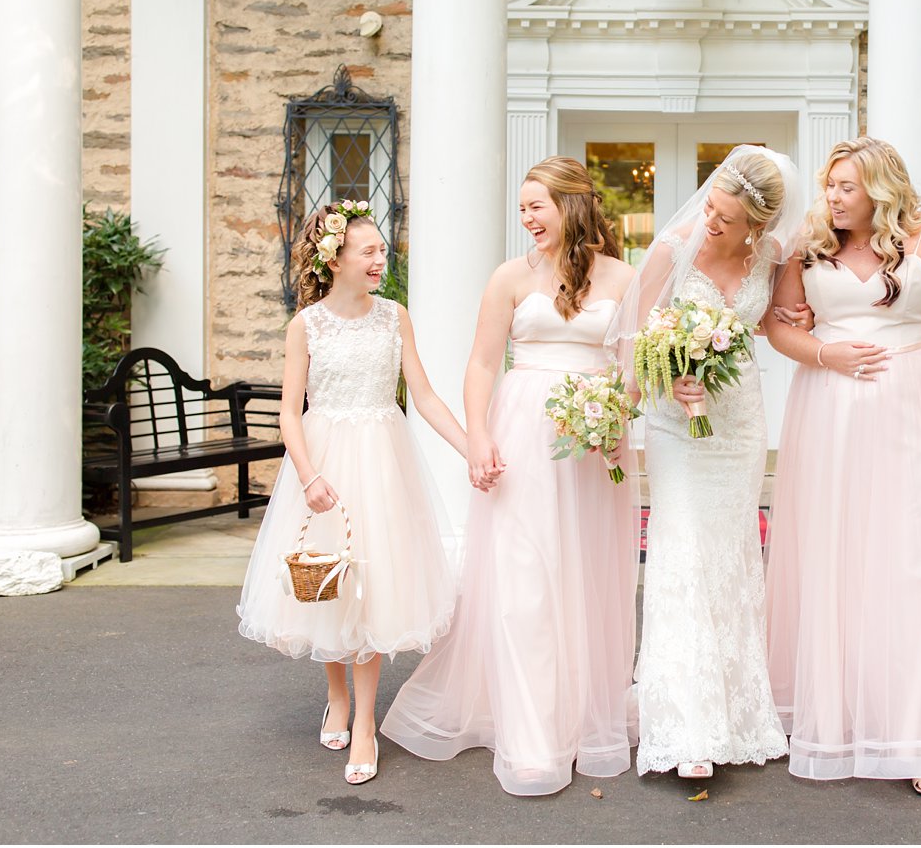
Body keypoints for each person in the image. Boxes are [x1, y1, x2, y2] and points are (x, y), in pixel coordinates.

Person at [763, 137, 921, 796]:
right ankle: (843, 713)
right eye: (830, 186)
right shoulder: (808, 247)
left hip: (913, 410)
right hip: (831, 414)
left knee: (920, 559)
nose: (834, 197)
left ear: (880, 188)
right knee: (842, 559)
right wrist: (826, 354)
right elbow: (777, 326)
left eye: (846, 186)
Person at [382, 157, 640, 797]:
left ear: (572, 206)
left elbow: (633, 368)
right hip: (522, 435)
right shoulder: (508, 278)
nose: (526, 219)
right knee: (525, 582)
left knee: (585, 577)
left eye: (536, 206)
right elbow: (479, 366)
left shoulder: (626, 279)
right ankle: (531, 736)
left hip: (592, 442)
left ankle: (582, 718)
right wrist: (478, 438)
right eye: (522, 208)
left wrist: (616, 419)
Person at [237, 200, 464, 786]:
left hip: (384, 460)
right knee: (328, 582)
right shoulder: (305, 325)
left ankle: (364, 723)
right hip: (324, 460)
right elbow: (290, 412)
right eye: (368, 251)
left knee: (374, 586)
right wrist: (309, 475)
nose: (379, 259)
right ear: (334, 258)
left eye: (382, 249)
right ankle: (335, 692)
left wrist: (472, 448)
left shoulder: (395, 317)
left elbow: (425, 395)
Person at [608, 145, 805, 781]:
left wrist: (800, 316)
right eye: (711, 208)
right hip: (676, 427)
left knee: (731, 555)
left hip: (738, 424)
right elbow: (636, 344)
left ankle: (734, 709)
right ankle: (683, 724)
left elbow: (776, 323)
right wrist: (666, 385)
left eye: (725, 217)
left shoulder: (773, 257)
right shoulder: (674, 249)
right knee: (683, 552)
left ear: (759, 224)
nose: (710, 223)